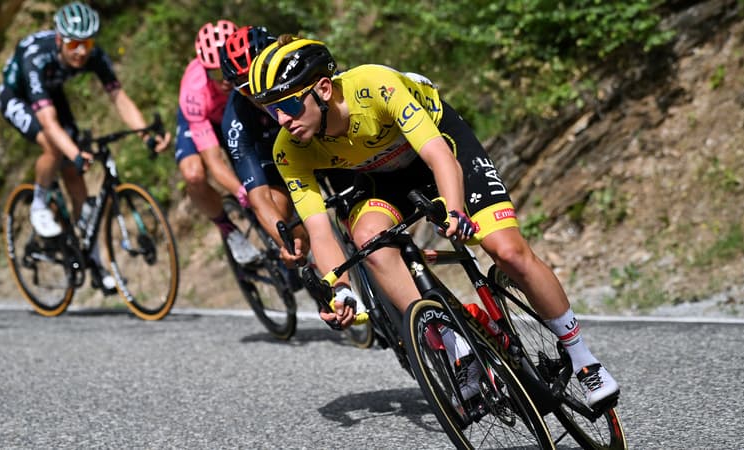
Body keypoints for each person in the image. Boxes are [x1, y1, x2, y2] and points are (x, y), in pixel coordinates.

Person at [247, 35, 620, 408]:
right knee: (368, 241)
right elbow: (319, 231)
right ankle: (457, 346)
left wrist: (455, 211)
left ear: (324, 89)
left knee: (507, 251)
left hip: (441, 147)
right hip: (385, 178)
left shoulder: (374, 86)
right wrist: (339, 289)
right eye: (271, 111)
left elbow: (440, 156)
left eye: (290, 105)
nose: (282, 120)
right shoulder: (289, 148)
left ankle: (585, 361)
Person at [0, 2, 171, 294]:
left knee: (76, 178)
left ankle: (96, 264)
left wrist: (144, 134)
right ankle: (39, 204)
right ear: (59, 40)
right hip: (18, 97)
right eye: (74, 44)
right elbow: (49, 123)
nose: (81, 51)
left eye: (87, 43)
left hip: (52, 94)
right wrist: (75, 153)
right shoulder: (35, 56)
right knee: (55, 147)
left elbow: (119, 98)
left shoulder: (94, 56)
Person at [219, 25, 309, 265]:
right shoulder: (235, 120)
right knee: (282, 214)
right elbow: (260, 201)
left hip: (318, 143)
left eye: (264, 73)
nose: (259, 90)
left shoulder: (301, 70)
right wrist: (287, 242)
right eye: (248, 85)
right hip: (274, 155)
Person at [174, 20, 262, 264]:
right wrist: (241, 192)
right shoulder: (194, 90)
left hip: (232, 112)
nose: (223, 80)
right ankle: (228, 230)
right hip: (204, 118)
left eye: (225, 70)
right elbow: (213, 161)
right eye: (214, 73)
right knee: (193, 175)